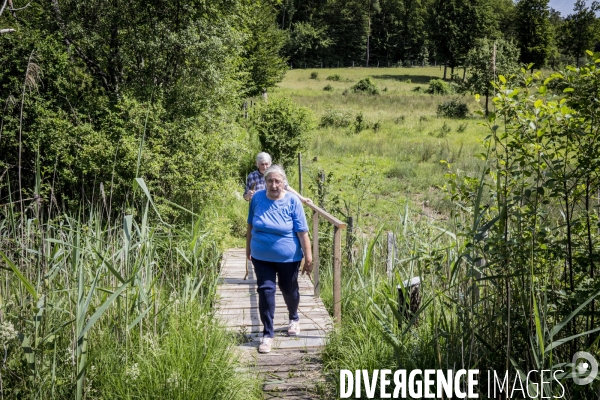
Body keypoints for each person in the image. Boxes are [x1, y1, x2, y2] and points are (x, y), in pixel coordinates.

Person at [246, 164, 313, 353]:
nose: (274, 185)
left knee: (289, 289)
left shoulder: (293, 201)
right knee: (265, 290)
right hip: (261, 256)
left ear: (284, 182)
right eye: (270, 181)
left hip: (289, 257)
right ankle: (267, 334)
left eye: (277, 181)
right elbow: (250, 226)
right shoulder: (257, 198)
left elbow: (302, 233)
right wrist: (247, 249)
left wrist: (308, 258)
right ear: (265, 182)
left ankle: (293, 317)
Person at [244, 152, 311, 203]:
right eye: (262, 164)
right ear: (257, 164)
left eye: (266, 164)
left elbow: (286, 187)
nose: (264, 167)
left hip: (275, 206)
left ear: (270, 164)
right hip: (258, 209)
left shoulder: (277, 174)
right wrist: (248, 196)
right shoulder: (252, 176)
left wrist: (302, 198)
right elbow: (246, 197)